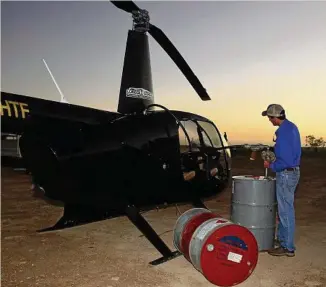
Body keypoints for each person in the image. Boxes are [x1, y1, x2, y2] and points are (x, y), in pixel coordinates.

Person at [261, 104, 301, 257]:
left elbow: (286, 160)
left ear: (275, 117)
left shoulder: (282, 132)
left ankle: (288, 247)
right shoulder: (291, 127)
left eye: (270, 118)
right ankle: (283, 240)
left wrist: (271, 165)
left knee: (285, 211)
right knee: (284, 208)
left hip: (285, 173)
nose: (269, 121)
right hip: (292, 172)